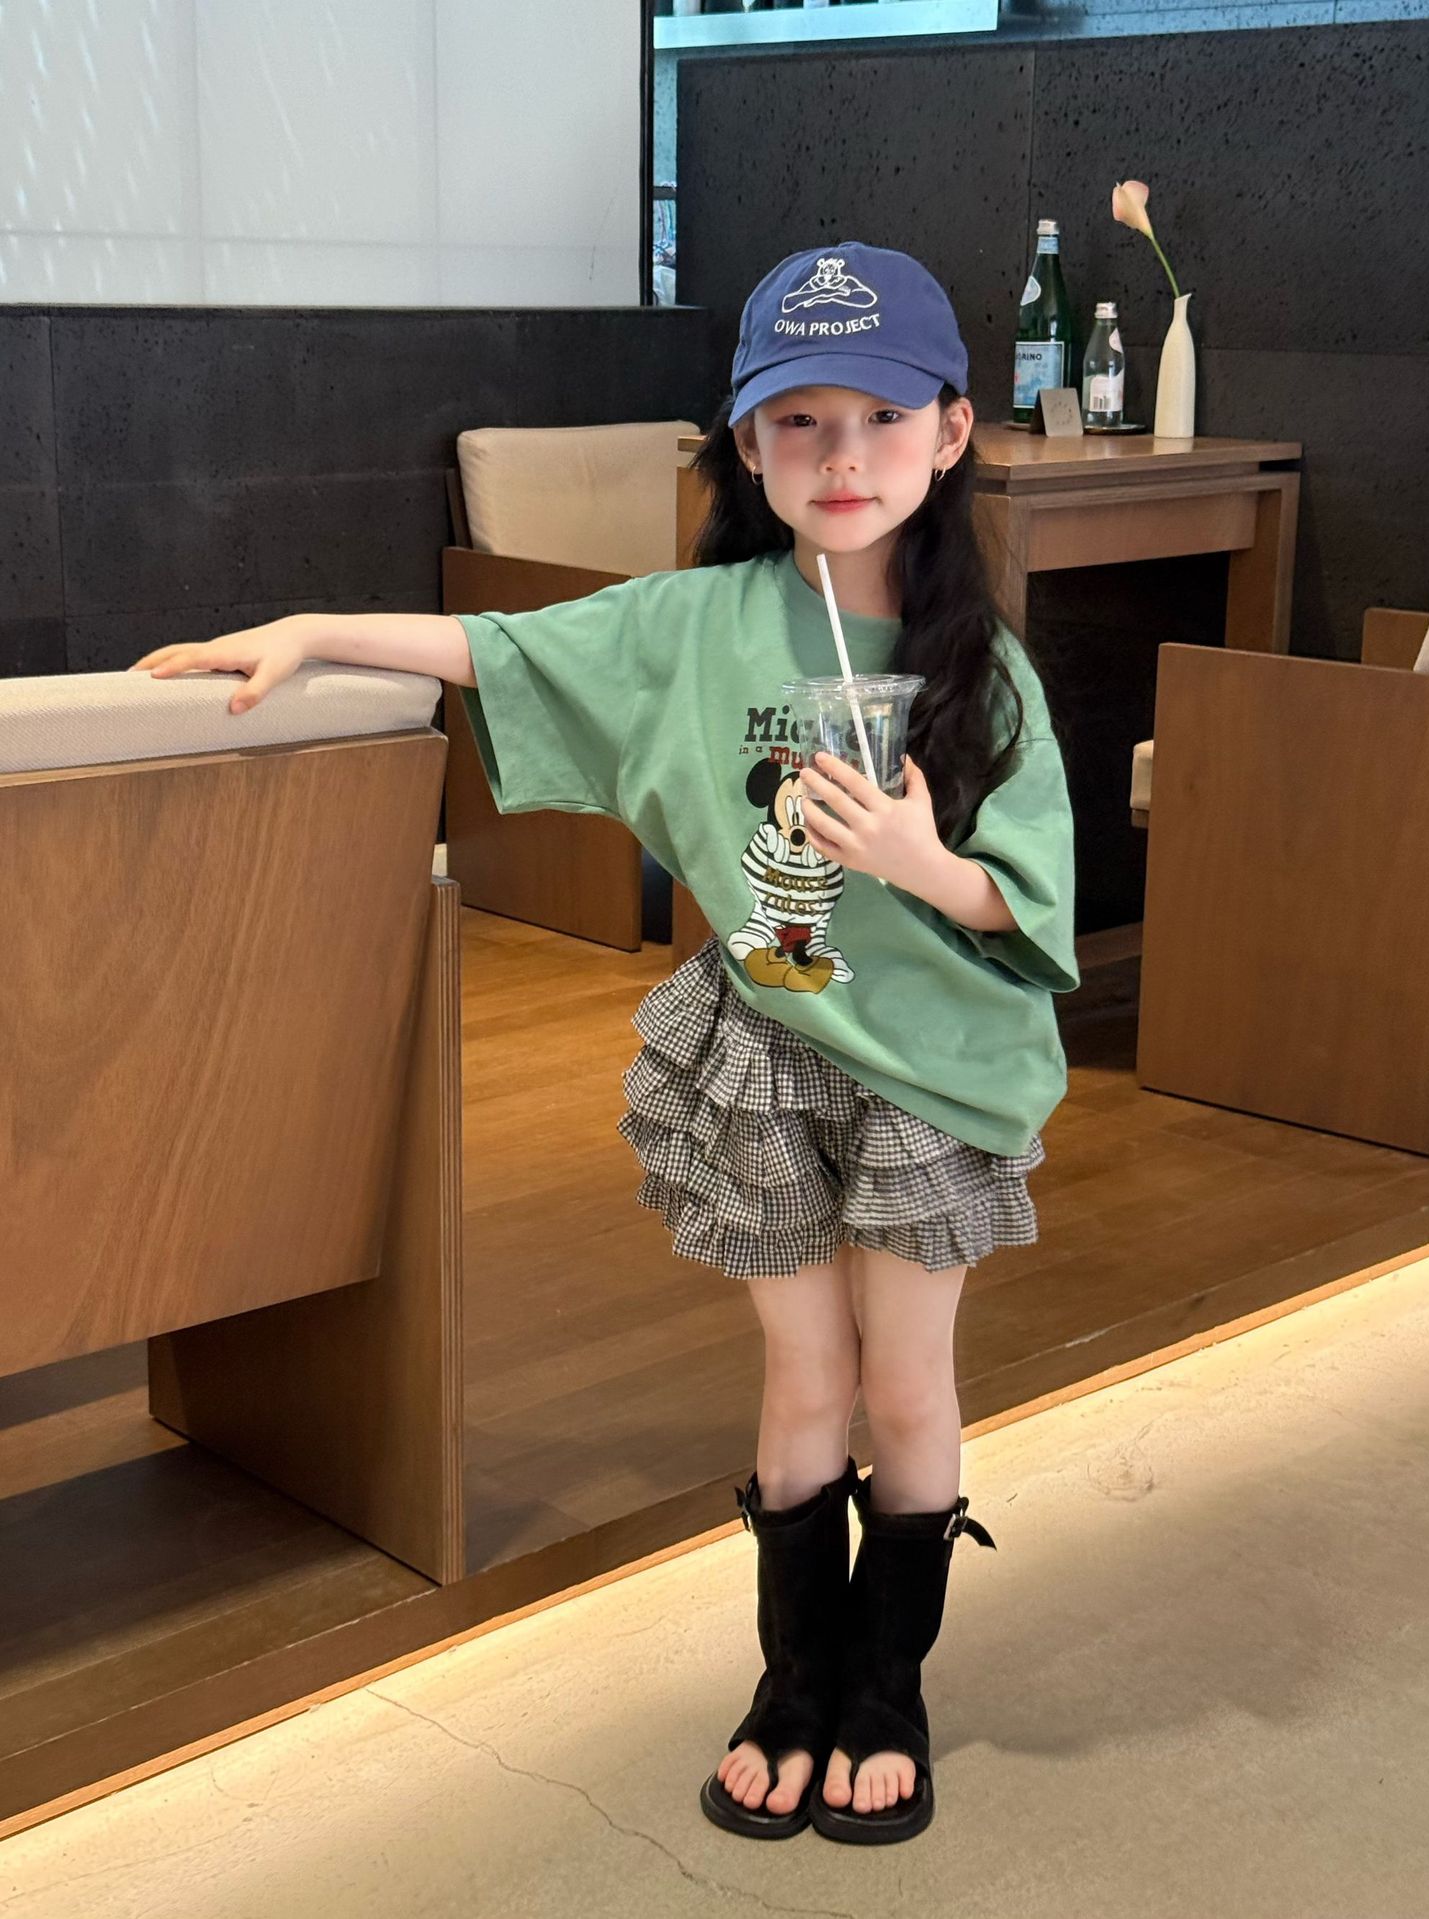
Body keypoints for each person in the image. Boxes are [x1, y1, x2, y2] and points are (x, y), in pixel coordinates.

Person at [129, 241, 1079, 1849]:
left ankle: (886, 1691)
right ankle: (795, 1679)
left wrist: (919, 862)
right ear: (749, 446)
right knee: (805, 1375)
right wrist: (310, 627)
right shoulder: (698, 623)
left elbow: (1025, 904)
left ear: (951, 430)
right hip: (771, 1048)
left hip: (935, 1076)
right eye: (800, 422)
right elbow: (501, 652)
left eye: (880, 417)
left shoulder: (986, 671)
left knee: (909, 1390)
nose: (842, 457)